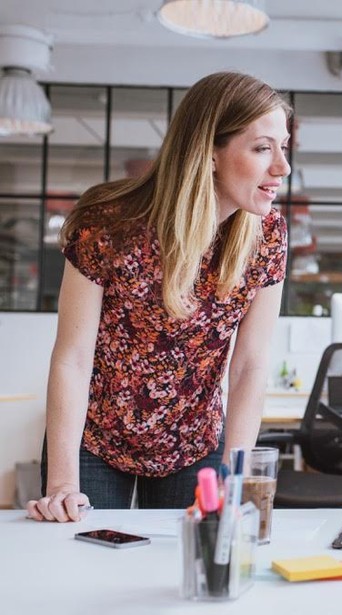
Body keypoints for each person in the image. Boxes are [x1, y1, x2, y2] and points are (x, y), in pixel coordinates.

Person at [26, 71, 291, 522]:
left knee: (190, 576)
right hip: (95, 441)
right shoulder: (107, 223)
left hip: (195, 444)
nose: (282, 167)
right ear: (208, 152)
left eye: (283, 147)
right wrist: (62, 482)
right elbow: (73, 357)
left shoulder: (267, 237)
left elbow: (249, 363)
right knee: (79, 564)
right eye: (263, 148)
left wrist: (236, 473)